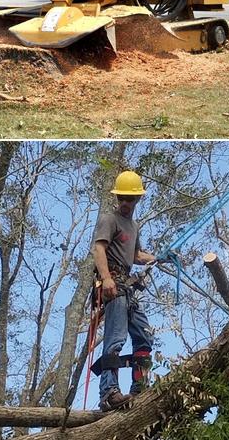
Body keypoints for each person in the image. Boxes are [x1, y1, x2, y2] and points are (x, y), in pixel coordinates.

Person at [92, 170, 156, 412]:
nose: (126, 204)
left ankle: (139, 386)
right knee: (116, 338)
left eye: (130, 200)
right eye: (122, 199)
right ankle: (109, 392)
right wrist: (106, 278)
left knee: (144, 336)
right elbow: (99, 249)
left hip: (127, 288)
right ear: (117, 198)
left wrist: (158, 258)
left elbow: (137, 255)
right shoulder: (110, 220)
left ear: (138, 200)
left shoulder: (134, 225)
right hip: (113, 285)